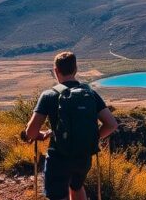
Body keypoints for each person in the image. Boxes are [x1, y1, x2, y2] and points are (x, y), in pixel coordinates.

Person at [23, 51, 118, 200]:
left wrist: (40, 135)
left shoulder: (49, 95)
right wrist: (91, 138)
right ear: (76, 69)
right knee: (77, 186)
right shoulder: (90, 94)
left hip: (58, 157)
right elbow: (111, 124)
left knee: (58, 195)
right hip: (83, 156)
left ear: (56, 71)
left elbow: (30, 132)